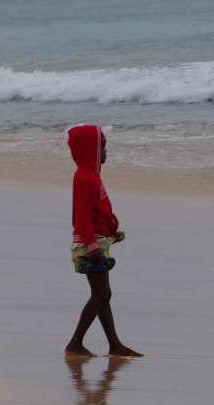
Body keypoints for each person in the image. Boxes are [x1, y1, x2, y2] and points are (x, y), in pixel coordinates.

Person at [65, 125, 142, 357]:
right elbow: (81, 217)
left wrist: (111, 231)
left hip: (98, 241)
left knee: (104, 294)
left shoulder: (91, 177)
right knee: (99, 295)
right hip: (90, 245)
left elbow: (98, 212)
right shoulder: (85, 178)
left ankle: (114, 345)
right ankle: (75, 344)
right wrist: (92, 244)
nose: (106, 152)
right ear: (91, 149)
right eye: (103, 147)